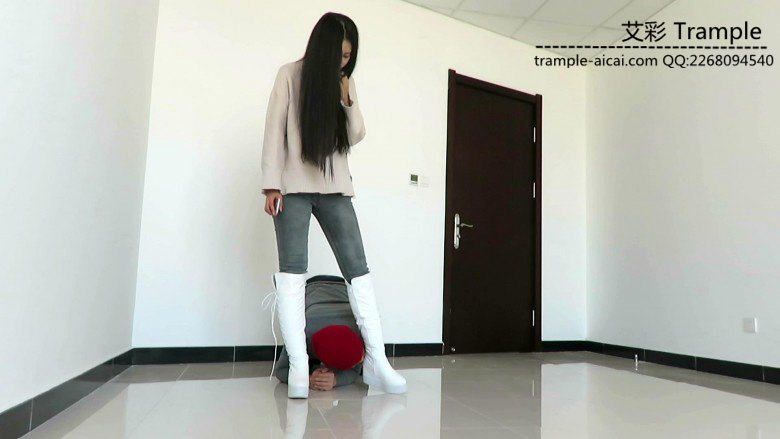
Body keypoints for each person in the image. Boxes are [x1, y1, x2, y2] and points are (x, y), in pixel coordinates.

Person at [261, 12, 407, 399]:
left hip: (335, 188)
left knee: (358, 272)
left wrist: (347, 98)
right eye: (340, 54)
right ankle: (297, 367)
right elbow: (274, 130)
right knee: (292, 274)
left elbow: (355, 134)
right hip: (292, 188)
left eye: (349, 55)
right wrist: (271, 186)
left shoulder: (344, 83)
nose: (344, 61)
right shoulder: (290, 75)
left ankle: (377, 362)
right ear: (322, 48)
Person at [274, 277, 364, 391]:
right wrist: (309, 380)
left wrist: (336, 380)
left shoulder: (359, 327)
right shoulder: (300, 331)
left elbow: (355, 369)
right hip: (312, 287)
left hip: (346, 287)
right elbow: (280, 370)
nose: (363, 360)